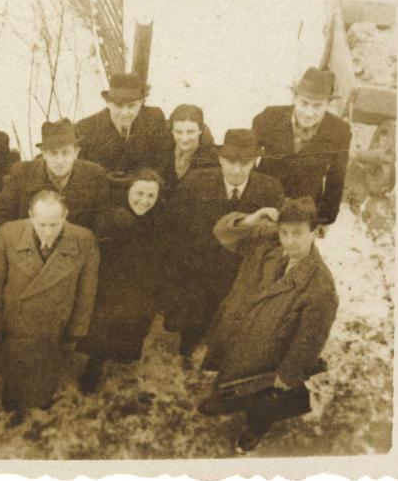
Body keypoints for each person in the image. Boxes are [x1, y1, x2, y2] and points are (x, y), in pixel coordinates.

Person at [199, 197, 339, 453]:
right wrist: (254, 217)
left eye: (297, 233)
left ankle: (255, 430)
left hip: (266, 359)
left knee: (262, 402)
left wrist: (288, 373)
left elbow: (309, 340)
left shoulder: (320, 287)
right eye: (284, 232)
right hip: (236, 334)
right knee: (228, 376)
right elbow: (222, 232)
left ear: (315, 232)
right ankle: (225, 401)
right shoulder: (266, 243)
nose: (289, 241)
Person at [0, 190, 100, 426]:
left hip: (55, 325)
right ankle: (13, 393)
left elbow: (87, 292)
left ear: (66, 216)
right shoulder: (8, 234)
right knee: (14, 363)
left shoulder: (84, 240)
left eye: (54, 224)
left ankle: (42, 395)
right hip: (15, 322)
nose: (47, 231)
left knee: (48, 368)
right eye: (41, 223)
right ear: (30, 217)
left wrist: (77, 330)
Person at [164, 129, 284, 361]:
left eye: (245, 163)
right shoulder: (195, 182)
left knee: (231, 319)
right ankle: (188, 343)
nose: (237, 170)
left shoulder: (269, 189)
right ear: (220, 159)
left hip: (242, 269)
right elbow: (175, 228)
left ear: (255, 161)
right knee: (192, 317)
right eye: (230, 162)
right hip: (198, 266)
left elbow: (271, 238)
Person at [77, 168, 170, 393]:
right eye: (139, 193)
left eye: (151, 196)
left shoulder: (158, 219)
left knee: (133, 324)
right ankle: (95, 364)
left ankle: (120, 354)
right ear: (128, 190)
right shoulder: (112, 216)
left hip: (140, 284)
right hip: (110, 283)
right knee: (105, 327)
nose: (144, 201)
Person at [252, 67, 352, 231]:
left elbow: (336, 178)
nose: (309, 112)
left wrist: (324, 219)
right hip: (263, 206)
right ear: (295, 98)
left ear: (327, 104)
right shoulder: (269, 117)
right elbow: (248, 159)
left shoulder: (339, 131)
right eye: (304, 103)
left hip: (303, 212)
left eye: (317, 106)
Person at [0, 119, 110, 229]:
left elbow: (102, 220)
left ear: (76, 152)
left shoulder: (94, 175)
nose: (60, 160)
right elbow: (1, 217)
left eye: (66, 153)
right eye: (53, 153)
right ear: (43, 153)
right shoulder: (21, 174)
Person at [75, 73, 170, 174]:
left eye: (131, 106)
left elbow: (162, 161)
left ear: (141, 103)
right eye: (118, 105)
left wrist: (148, 180)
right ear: (108, 103)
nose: (124, 113)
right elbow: (84, 175)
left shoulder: (153, 119)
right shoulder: (87, 128)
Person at [160, 104, 219, 197]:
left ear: (200, 131)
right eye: (178, 132)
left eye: (190, 132)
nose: (184, 138)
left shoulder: (212, 159)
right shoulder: (162, 152)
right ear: (172, 131)